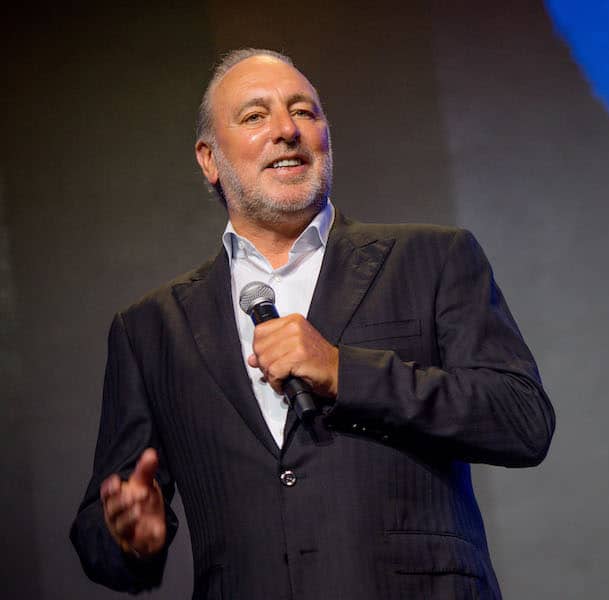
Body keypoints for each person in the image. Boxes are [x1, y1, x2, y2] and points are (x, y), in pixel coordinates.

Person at [70, 48, 554, 600]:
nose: (286, 130)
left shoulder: (431, 259)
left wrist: (344, 371)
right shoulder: (152, 329)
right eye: (255, 116)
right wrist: (129, 538)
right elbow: (99, 530)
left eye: (304, 111)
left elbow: (522, 420)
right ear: (209, 160)